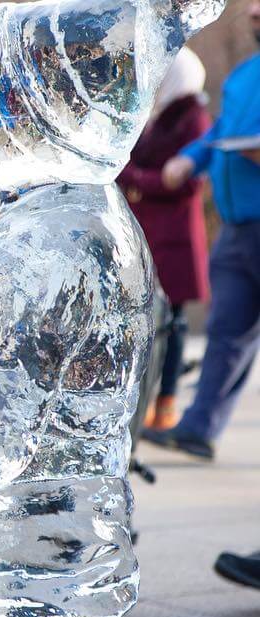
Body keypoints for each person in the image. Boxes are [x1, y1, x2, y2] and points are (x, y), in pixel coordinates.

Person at [145, 0, 260, 460]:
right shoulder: (242, 76)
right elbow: (217, 136)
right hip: (237, 229)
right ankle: (198, 428)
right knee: (225, 332)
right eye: (252, 10)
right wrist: (190, 159)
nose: (254, 15)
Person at [117, 47, 211, 432]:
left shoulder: (193, 119)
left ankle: (167, 399)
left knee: (172, 322)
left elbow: (189, 182)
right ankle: (142, 401)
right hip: (147, 231)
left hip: (175, 235)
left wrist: (135, 178)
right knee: (144, 322)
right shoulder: (156, 116)